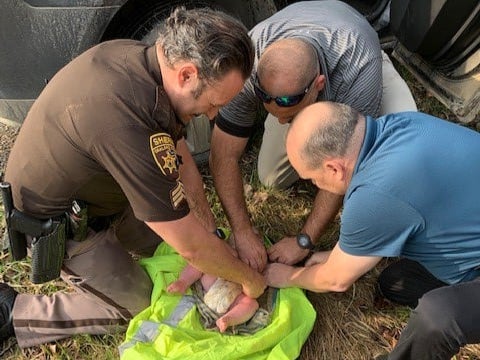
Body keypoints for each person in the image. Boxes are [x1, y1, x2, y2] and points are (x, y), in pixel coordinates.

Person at [0, 7, 266, 349]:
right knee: (134, 304)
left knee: (190, 249)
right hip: (59, 222)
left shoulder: (149, 64)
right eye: (214, 103)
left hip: (106, 191)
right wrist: (248, 280)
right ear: (187, 75)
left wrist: (209, 231)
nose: (213, 115)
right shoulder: (126, 118)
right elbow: (190, 244)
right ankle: (13, 312)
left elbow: (181, 158)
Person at [209, 0, 418, 273]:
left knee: (404, 155)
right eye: (275, 114)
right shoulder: (250, 60)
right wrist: (242, 230)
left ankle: (385, 70)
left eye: (289, 116)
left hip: (362, 61)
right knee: (271, 176)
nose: (283, 122)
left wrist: (304, 240)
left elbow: (342, 167)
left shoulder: (358, 69)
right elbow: (223, 153)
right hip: (308, 68)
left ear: (317, 86)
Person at [265, 101, 480, 359]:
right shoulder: (403, 124)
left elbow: (335, 280)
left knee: (436, 316)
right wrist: (341, 255)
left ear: (334, 168)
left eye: (312, 178)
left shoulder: (374, 195)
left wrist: (288, 276)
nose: (314, 183)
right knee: (395, 282)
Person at [167, 257, 259, 333]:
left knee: (251, 304)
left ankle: (229, 319)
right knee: (200, 262)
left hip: (238, 292)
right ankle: (183, 282)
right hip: (215, 279)